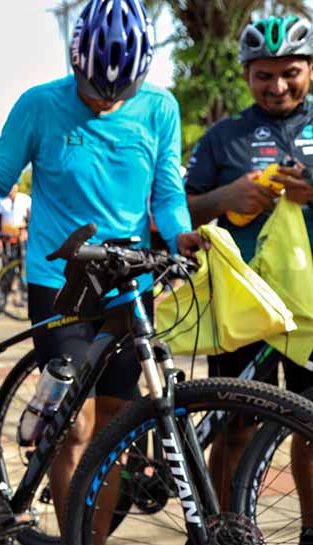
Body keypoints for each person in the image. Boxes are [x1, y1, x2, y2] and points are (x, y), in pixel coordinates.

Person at [0, 0, 204, 536]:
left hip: (129, 281)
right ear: (74, 61)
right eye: (93, 88)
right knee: (76, 425)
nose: (106, 100)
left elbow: (166, 192)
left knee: (115, 421)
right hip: (60, 281)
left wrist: (180, 233)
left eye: (120, 91)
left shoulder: (160, 108)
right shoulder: (39, 106)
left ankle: (87, 536)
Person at [183, 15, 313, 540]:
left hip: (310, 309)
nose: (277, 86)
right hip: (243, 308)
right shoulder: (223, 138)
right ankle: (220, 530)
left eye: (291, 73)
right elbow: (179, 209)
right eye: (264, 74)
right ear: (245, 75)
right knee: (235, 425)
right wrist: (225, 198)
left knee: (310, 427)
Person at [0, 182, 31, 251]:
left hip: (21, 237)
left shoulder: (26, 199)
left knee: (23, 260)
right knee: (7, 260)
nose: (11, 189)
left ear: (17, 185)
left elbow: (31, 218)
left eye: (13, 186)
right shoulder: (1, 200)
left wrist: (26, 227)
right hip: (6, 238)